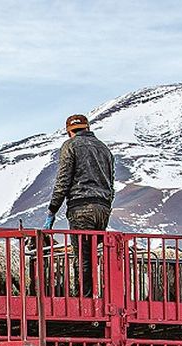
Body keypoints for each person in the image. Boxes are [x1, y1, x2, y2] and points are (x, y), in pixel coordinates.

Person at [46, 114, 115, 296]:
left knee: (83, 256)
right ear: (88, 127)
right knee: (94, 254)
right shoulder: (105, 149)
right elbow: (111, 182)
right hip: (102, 208)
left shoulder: (70, 146)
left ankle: (84, 300)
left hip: (81, 208)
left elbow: (63, 180)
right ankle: (99, 295)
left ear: (69, 131)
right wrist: (105, 204)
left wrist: (53, 210)